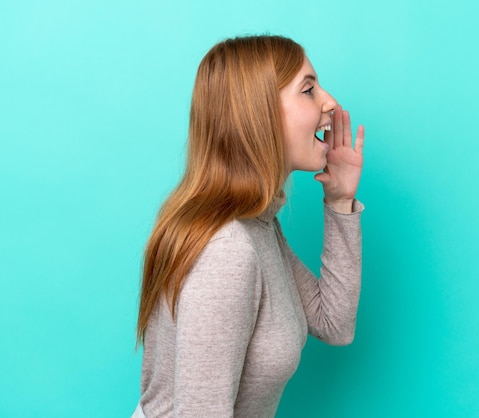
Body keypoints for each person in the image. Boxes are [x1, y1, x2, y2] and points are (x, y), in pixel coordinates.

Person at [132, 35, 365, 418]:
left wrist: (339, 202)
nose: (330, 103)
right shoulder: (228, 249)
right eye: (308, 90)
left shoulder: (257, 224)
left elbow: (333, 323)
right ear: (258, 114)